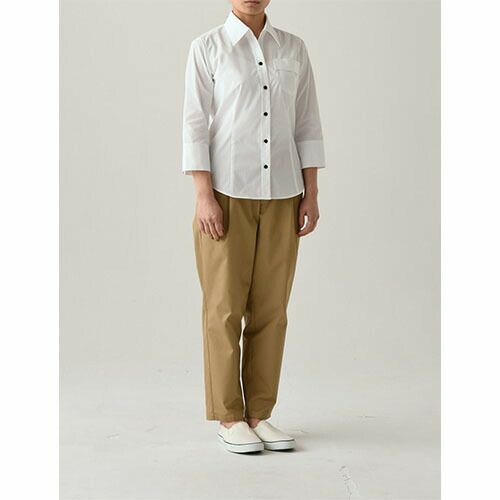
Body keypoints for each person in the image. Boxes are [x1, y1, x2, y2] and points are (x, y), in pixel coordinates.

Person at [182, 0, 325, 454]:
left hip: (283, 193)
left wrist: (311, 192)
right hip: (227, 192)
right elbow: (195, 124)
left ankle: (259, 414)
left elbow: (306, 122)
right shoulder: (208, 47)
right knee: (223, 308)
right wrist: (203, 194)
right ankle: (228, 417)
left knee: (271, 310)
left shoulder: (293, 48)